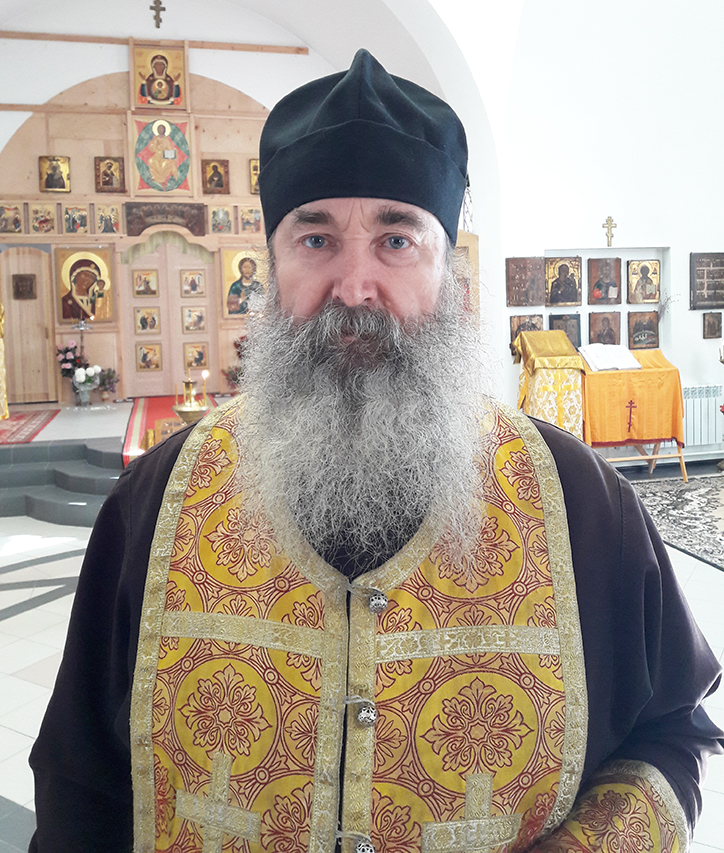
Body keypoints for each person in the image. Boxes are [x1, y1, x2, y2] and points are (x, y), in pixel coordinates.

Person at [30, 49, 722, 853]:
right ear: (271, 266)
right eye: (315, 238)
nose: (355, 286)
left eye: (396, 239)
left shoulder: (585, 506)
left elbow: (672, 733)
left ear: (449, 270)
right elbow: (82, 788)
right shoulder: (153, 504)